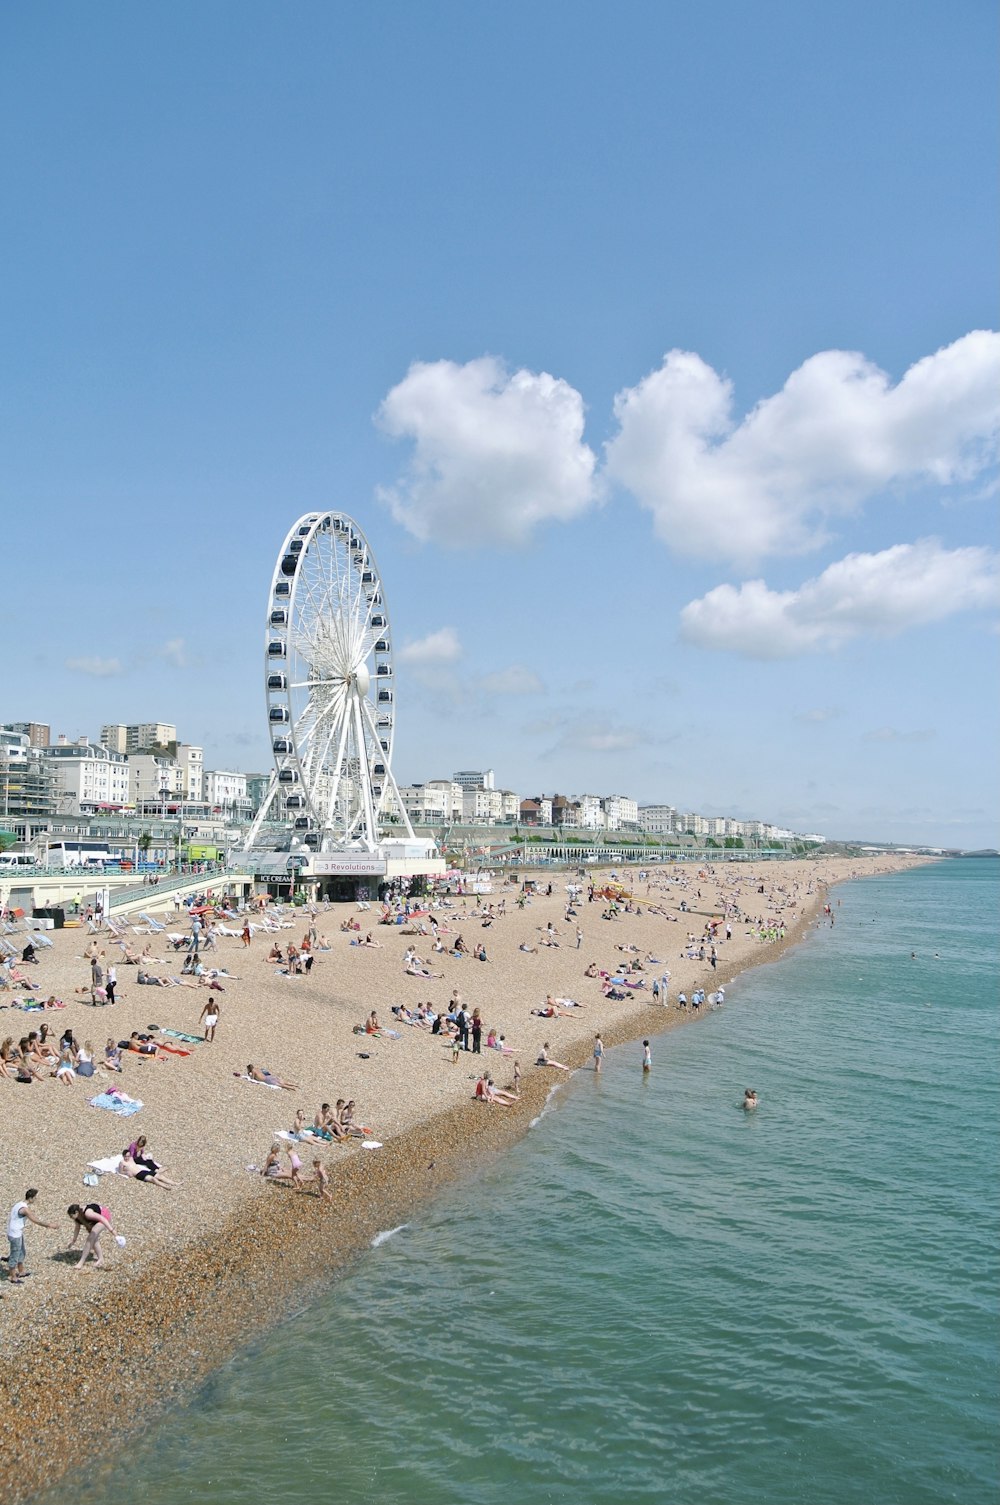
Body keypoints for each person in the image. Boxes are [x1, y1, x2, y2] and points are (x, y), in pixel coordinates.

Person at [7, 1189, 57, 1285]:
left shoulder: (19, 1204)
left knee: (22, 1252)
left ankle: (21, 1272)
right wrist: (49, 1225)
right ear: (30, 1198)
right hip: (15, 1234)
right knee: (15, 1255)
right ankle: (13, 1277)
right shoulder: (25, 1209)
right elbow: (36, 1220)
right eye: (35, 1198)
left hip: (15, 1232)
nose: (35, 1199)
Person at [66, 1203, 116, 1270]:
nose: (71, 1218)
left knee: (90, 1238)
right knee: (93, 1238)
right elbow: (77, 1228)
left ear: (76, 1212)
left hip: (104, 1215)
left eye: (71, 1216)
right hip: (95, 1220)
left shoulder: (88, 1213)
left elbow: (102, 1218)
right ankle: (101, 1259)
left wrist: (112, 1230)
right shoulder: (77, 1218)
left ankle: (81, 1262)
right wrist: (73, 1240)